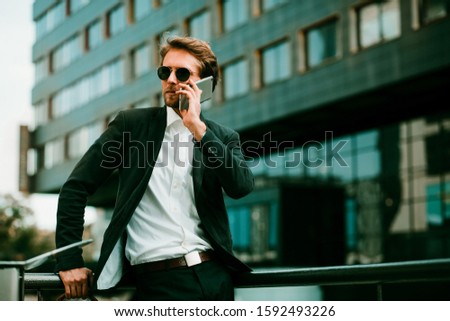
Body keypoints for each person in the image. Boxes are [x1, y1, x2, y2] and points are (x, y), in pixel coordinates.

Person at [55, 36, 254, 301]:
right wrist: (69, 260)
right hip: (155, 282)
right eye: (165, 71)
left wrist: (198, 129)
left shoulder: (222, 137)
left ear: (204, 85)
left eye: (182, 73)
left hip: (214, 278)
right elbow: (76, 186)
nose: (171, 79)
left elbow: (241, 186)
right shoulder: (131, 125)